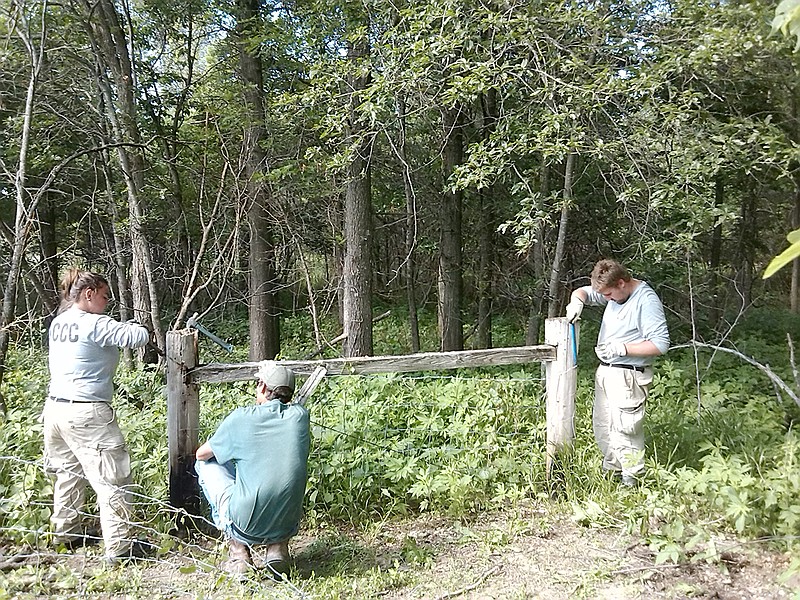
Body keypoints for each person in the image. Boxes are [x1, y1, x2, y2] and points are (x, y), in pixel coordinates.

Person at [43, 268, 151, 563]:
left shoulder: (59, 323)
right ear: (88, 295)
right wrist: (135, 323)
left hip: (55, 410)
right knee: (112, 478)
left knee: (68, 474)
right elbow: (138, 336)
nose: (106, 303)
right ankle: (121, 546)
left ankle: (67, 534)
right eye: (104, 297)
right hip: (86, 412)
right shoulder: (95, 324)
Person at [195, 362, 310, 578]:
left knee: (205, 464)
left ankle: (239, 553)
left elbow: (202, 453)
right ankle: (277, 550)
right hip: (286, 521)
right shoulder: (300, 417)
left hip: (244, 523)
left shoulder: (241, 418)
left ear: (263, 387)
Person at [565, 259, 669, 486]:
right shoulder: (611, 292)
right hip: (607, 371)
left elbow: (660, 344)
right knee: (604, 426)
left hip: (628, 375)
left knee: (625, 428)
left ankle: (633, 481)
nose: (606, 299)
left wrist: (622, 348)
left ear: (621, 283)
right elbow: (583, 292)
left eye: (609, 295)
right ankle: (613, 475)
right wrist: (577, 302)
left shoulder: (646, 301)